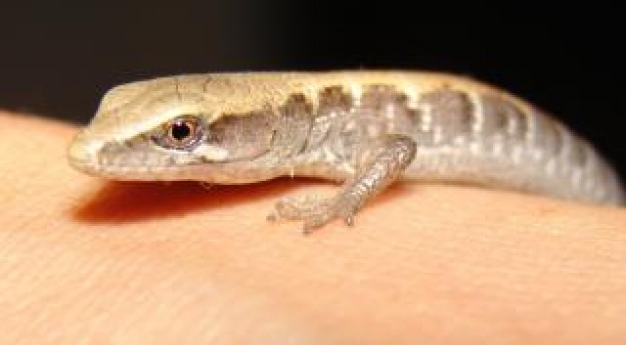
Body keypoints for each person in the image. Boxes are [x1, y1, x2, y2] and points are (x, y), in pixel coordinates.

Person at [1, 111, 624, 343]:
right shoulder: (301, 138)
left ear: (263, 126)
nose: (99, 152)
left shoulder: (342, 120)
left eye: (182, 134)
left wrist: (343, 203)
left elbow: (397, 149)